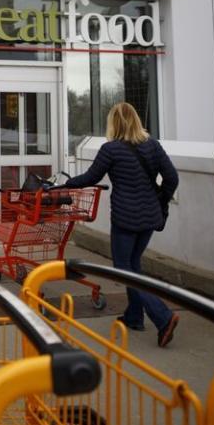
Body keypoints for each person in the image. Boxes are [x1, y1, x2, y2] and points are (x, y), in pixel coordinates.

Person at [64, 102, 180, 347]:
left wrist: (65, 184)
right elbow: (172, 177)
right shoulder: (153, 146)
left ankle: (163, 317)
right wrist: (161, 198)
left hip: (126, 218)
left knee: (123, 268)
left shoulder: (111, 149)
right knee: (133, 264)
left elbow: (91, 178)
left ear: (114, 123)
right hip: (149, 217)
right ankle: (134, 316)